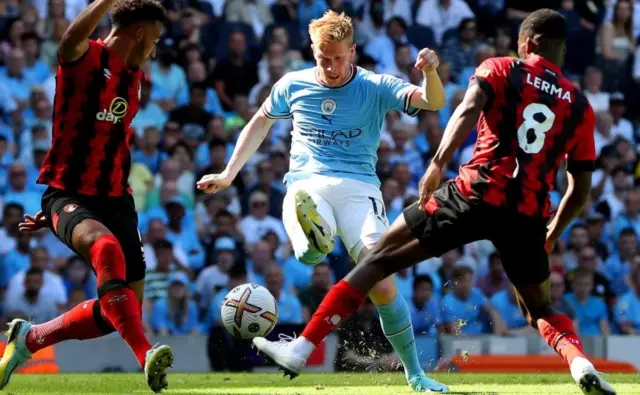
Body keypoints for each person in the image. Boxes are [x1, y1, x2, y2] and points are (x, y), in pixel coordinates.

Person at [250, 9, 617, 395]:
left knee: (377, 261)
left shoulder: (502, 67)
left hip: (473, 194)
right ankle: (580, 363)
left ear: (529, 44)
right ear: (562, 50)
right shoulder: (580, 104)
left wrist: (438, 163)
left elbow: (467, 108)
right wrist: (552, 232)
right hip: (527, 215)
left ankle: (301, 348)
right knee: (539, 309)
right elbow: (580, 188)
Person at [197, 10, 447, 393]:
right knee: (311, 243)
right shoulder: (292, 84)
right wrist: (229, 174)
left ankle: (415, 375)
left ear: (353, 51)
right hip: (306, 185)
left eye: (337, 58)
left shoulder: (375, 85)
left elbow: (431, 102)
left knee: (380, 279)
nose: (330, 67)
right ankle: (315, 241)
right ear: (313, 51)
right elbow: (260, 122)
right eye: (322, 58)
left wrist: (430, 71)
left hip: (360, 190)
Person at [5, 0, 174, 392]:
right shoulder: (86, 56)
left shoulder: (133, 77)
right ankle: (146, 354)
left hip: (117, 201)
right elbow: (68, 40)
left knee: (120, 309)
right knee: (105, 249)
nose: (156, 47)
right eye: (155, 38)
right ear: (139, 32)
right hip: (67, 193)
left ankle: (30, 339)